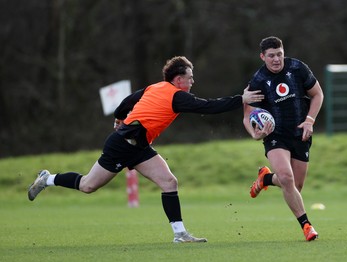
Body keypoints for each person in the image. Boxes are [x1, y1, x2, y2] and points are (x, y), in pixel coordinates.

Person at [28, 56, 264, 243]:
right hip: (122, 145)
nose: (192, 82)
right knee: (88, 185)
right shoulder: (176, 96)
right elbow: (209, 107)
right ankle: (48, 179)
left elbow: (127, 102)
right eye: (190, 78)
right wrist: (240, 99)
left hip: (140, 147)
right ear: (178, 79)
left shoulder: (155, 87)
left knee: (169, 182)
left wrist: (119, 117)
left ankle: (180, 234)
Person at [243, 36, 324, 241]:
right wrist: (255, 133)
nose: (277, 59)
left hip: (300, 133)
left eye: (279, 54)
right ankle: (307, 226)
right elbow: (247, 116)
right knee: (287, 178)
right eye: (271, 56)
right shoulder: (258, 81)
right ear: (263, 57)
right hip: (275, 135)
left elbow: (318, 94)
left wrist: (309, 120)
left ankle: (266, 178)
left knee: (295, 186)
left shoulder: (297, 68)